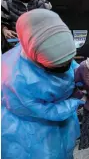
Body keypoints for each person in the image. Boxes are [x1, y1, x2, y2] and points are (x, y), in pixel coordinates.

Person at [1, 9, 84, 159]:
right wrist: (76, 101)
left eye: (69, 61)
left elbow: (74, 69)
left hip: (61, 127)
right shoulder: (17, 80)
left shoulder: (51, 49)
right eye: (59, 66)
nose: (67, 66)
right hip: (32, 135)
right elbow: (47, 111)